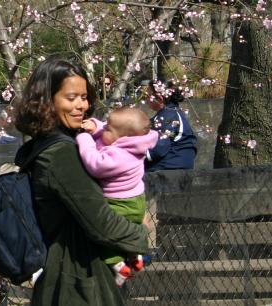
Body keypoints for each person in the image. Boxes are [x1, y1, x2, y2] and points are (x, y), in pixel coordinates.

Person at [13, 57, 149, 306]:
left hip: (69, 277)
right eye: (71, 97)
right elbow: (101, 224)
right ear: (48, 101)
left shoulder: (44, 145)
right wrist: (142, 233)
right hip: (76, 281)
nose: (81, 106)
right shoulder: (61, 154)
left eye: (84, 97)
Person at [76, 107, 158, 286]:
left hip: (119, 203)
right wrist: (96, 125)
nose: (103, 128)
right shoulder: (129, 145)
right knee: (127, 231)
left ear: (122, 139)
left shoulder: (121, 155)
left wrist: (84, 138)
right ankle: (136, 256)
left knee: (106, 237)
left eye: (107, 129)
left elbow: (95, 164)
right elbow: (109, 131)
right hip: (136, 200)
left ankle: (118, 266)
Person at [144, 80, 197, 172]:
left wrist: (136, 157)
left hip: (168, 169)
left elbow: (159, 147)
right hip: (177, 167)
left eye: (148, 96)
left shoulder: (167, 117)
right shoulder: (172, 114)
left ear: (159, 98)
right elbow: (171, 135)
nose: (146, 99)